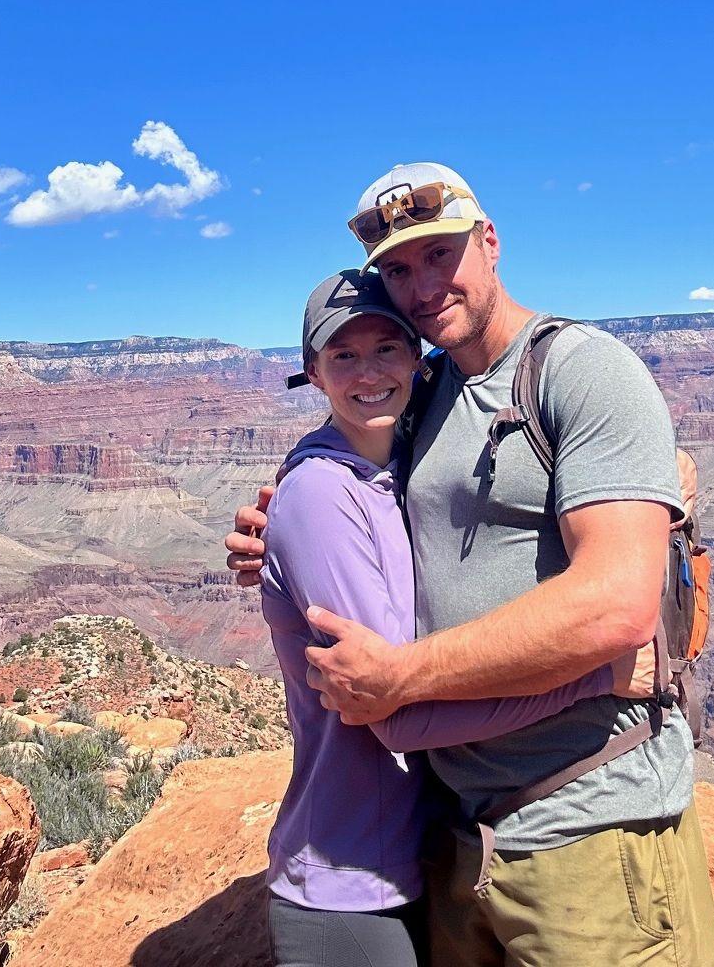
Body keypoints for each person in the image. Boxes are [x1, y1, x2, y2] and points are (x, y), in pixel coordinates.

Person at [229, 164, 714, 967]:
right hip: (458, 844)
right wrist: (277, 522)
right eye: (398, 269)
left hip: (590, 828)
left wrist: (401, 677)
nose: (423, 286)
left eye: (440, 254)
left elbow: (617, 605)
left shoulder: (580, 368)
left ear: (489, 242)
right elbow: (351, 466)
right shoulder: (428, 393)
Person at [260, 267, 650, 967]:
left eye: (387, 348)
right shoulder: (323, 494)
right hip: (349, 879)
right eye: (343, 355)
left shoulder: (397, 473)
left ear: (418, 357)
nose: (368, 372)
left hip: (422, 856)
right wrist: (598, 679)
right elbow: (395, 715)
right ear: (313, 374)